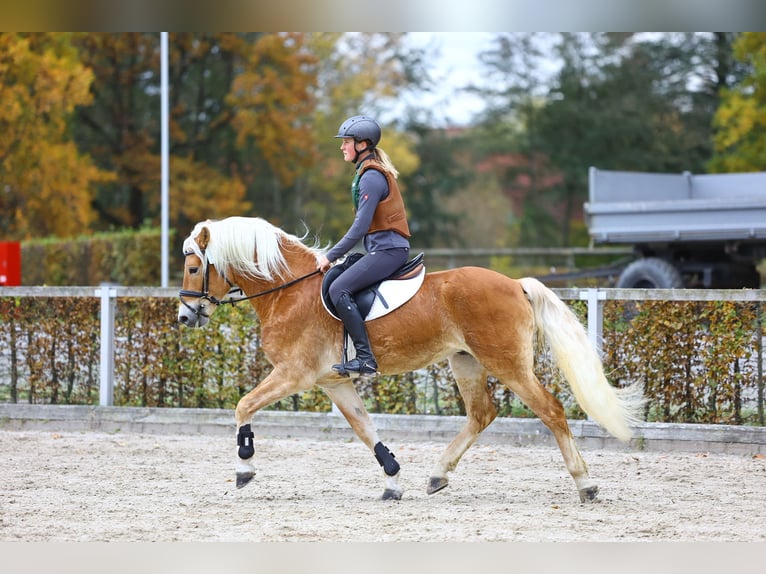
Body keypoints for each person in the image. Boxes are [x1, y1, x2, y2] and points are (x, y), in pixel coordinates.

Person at [316, 115, 411, 376]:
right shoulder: (365, 173)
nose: (342, 147)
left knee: (339, 288)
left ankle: (366, 359)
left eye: (346, 142)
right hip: (380, 249)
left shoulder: (371, 176)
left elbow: (359, 227)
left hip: (388, 250)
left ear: (362, 144)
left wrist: (330, 255)